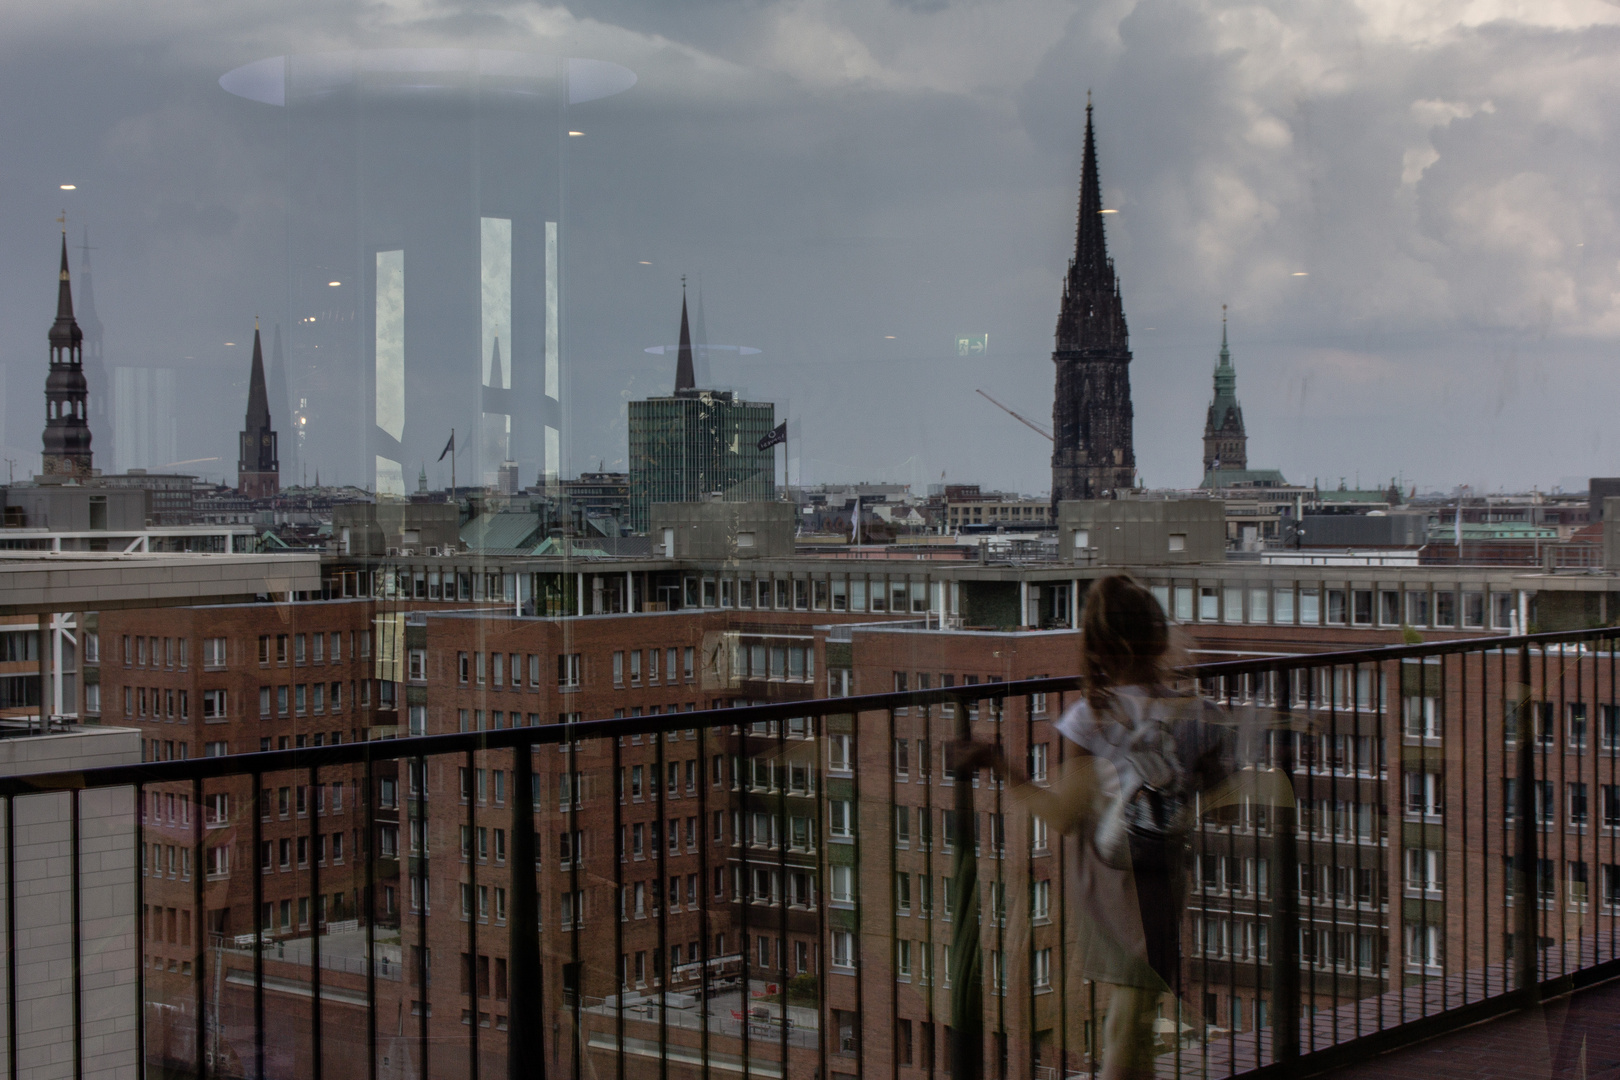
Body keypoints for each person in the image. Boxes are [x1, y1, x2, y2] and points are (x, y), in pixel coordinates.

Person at [973, 574, 1244, 1080]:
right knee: (1135, 1016)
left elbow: (1063, 817)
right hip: (1166, 873)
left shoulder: (1088, 720)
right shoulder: (1203, 714)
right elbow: (1226, 809)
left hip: (1109, 880)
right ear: (1159, 638)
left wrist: (1001, 766)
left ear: (1097, 649)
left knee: (1125, 1021)